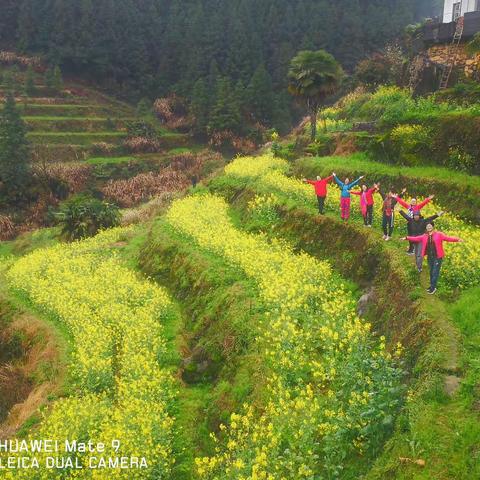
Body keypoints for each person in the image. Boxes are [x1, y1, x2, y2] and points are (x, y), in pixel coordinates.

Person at [402, 224, 462, 294]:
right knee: (431, 272)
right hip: (430, 257)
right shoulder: (424, 236)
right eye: (427, 226)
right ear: (426, 228)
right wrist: (406, 238)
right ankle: (432, 286)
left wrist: (457, 239)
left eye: (430, 226)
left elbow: (448, 238)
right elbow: (416, 238)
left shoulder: (439, 234)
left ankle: (433, 288)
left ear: (433, 227)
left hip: (437, 257)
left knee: (435, 272)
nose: (429, 227)